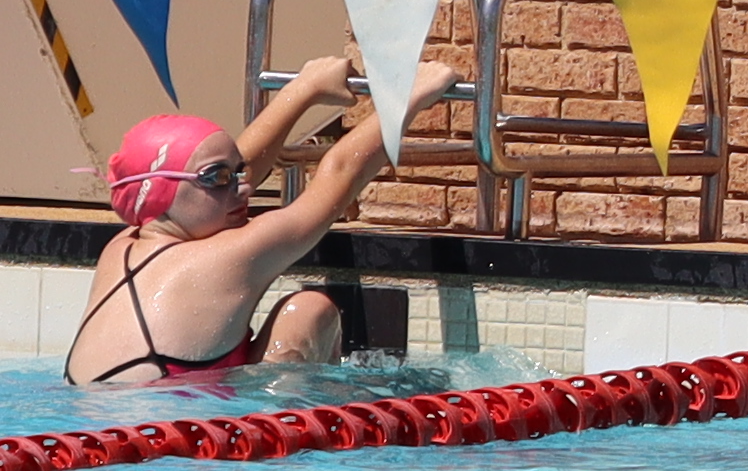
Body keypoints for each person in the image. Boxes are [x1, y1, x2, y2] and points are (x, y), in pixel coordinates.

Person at [63, 61, 460, 391]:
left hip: (95, 428)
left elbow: (236, 166)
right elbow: (340, 171)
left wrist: (304, 89)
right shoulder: (233, 254)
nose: (244, 185)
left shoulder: (121, 245)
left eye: (237, 172)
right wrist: (409, 97)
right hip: (173, 438)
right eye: (218, 178)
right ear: (164, 195)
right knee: (307, 311)